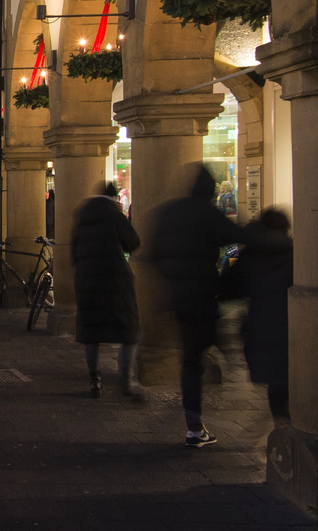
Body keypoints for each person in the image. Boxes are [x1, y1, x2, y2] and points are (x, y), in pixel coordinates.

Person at [148, 164, 242, 447]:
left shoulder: (170, 212)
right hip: (204, 296)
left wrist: (173, 279)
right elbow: (237, 236)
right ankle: (196, 424)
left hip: (180, 299)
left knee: (191, 359)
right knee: (203, 350)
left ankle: (194, 425)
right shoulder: (207, 213)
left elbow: (153, 254)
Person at [71, 181, 143, 400]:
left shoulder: (82, 217)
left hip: (87, 279)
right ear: (114, 199)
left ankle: (95, 380)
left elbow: (74, 252)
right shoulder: (114, 215)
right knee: (128, 331)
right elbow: (133, 242)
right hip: (115, 280)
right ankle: (126, 379)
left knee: (91, 332)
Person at [236, 206, 293, 424]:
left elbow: (230, 287)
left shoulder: (251, 255)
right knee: (291, 383)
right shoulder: (296, 254)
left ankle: (283, 430)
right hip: (295, 331)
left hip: (263, 331)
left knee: (277, 389)